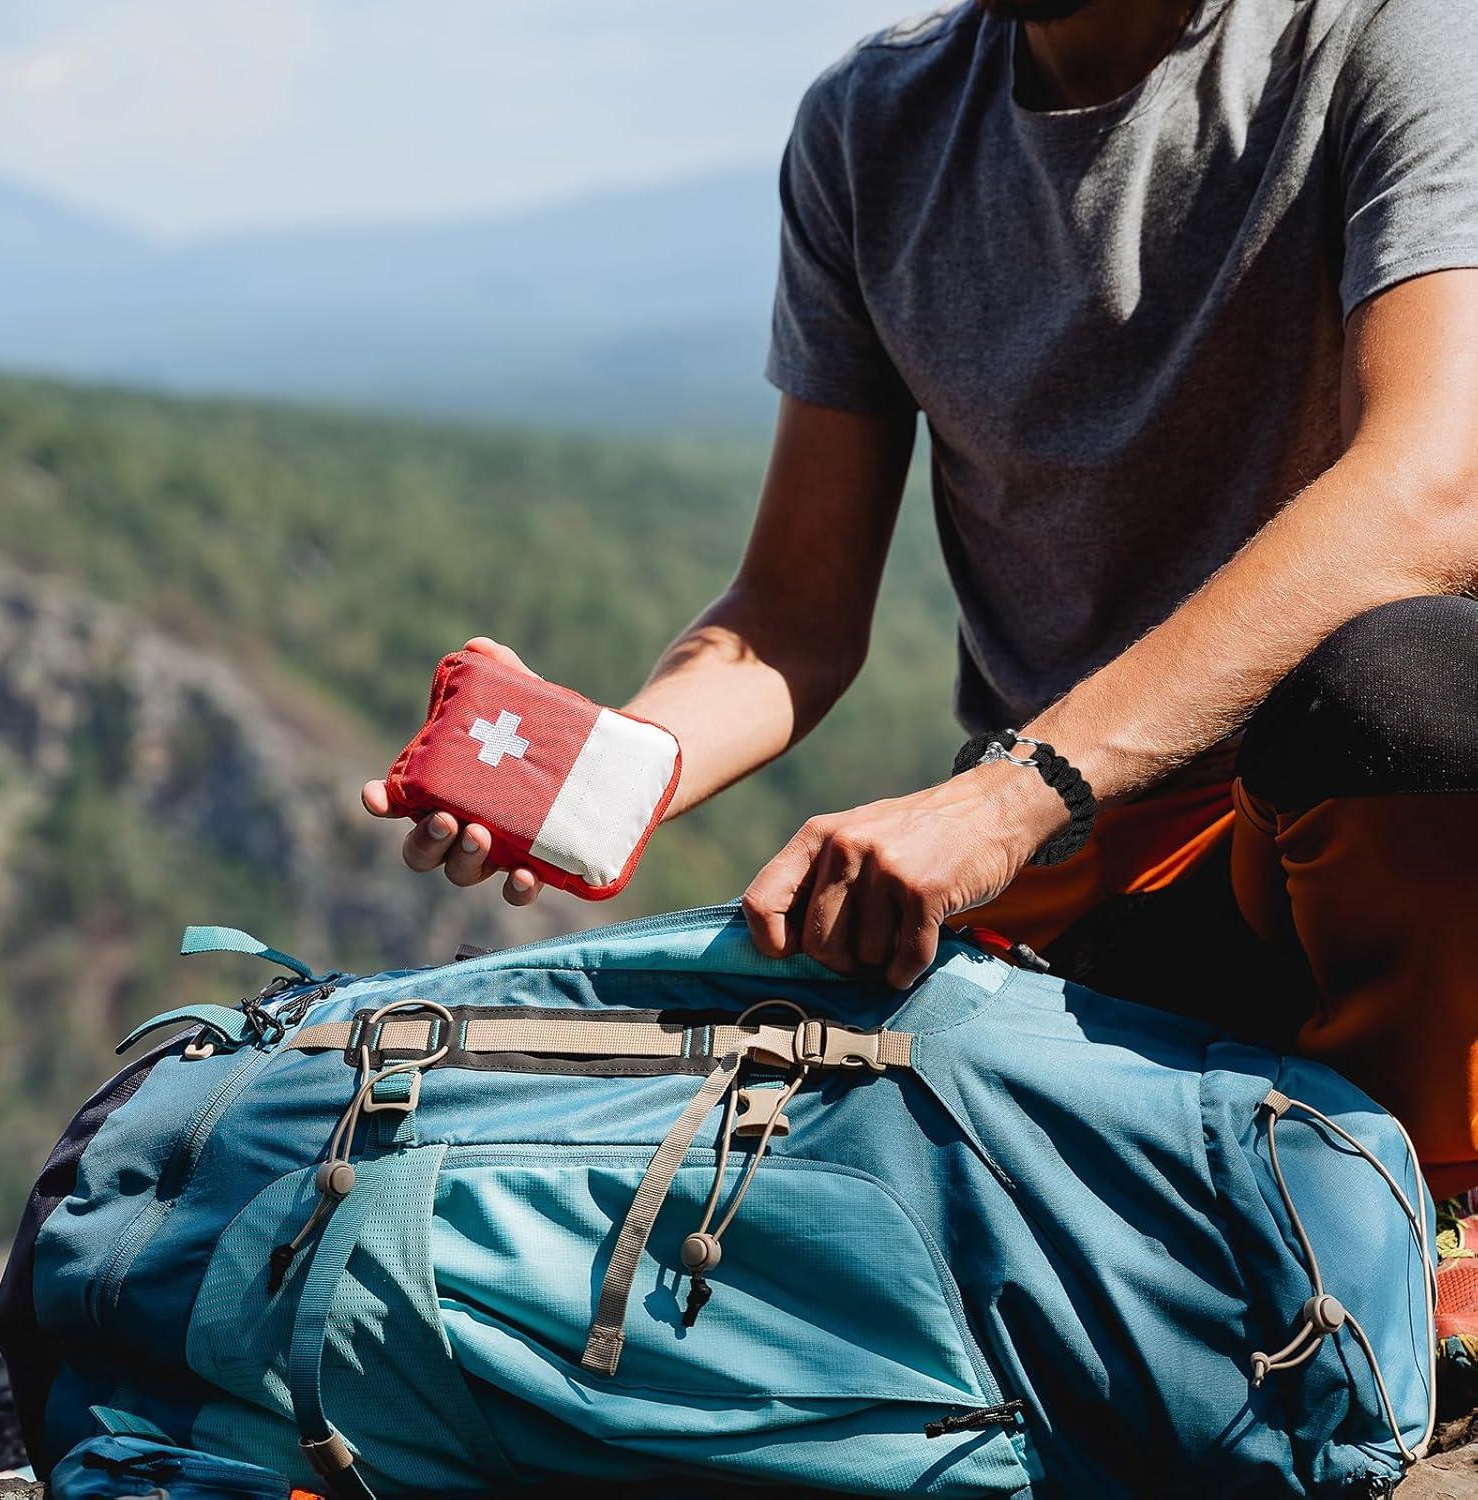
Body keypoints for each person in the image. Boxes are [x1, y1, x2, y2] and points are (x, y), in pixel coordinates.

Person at [364, 0, 1478, 1342]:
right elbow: (792, 615)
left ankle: (1436, 1216)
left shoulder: (1388, 38)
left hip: (1330, 848)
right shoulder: (874, 123)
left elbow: (1433, 493)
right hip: (1075, 907)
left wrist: (1015, 794)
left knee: (1413, 689)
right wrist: (605, 774)